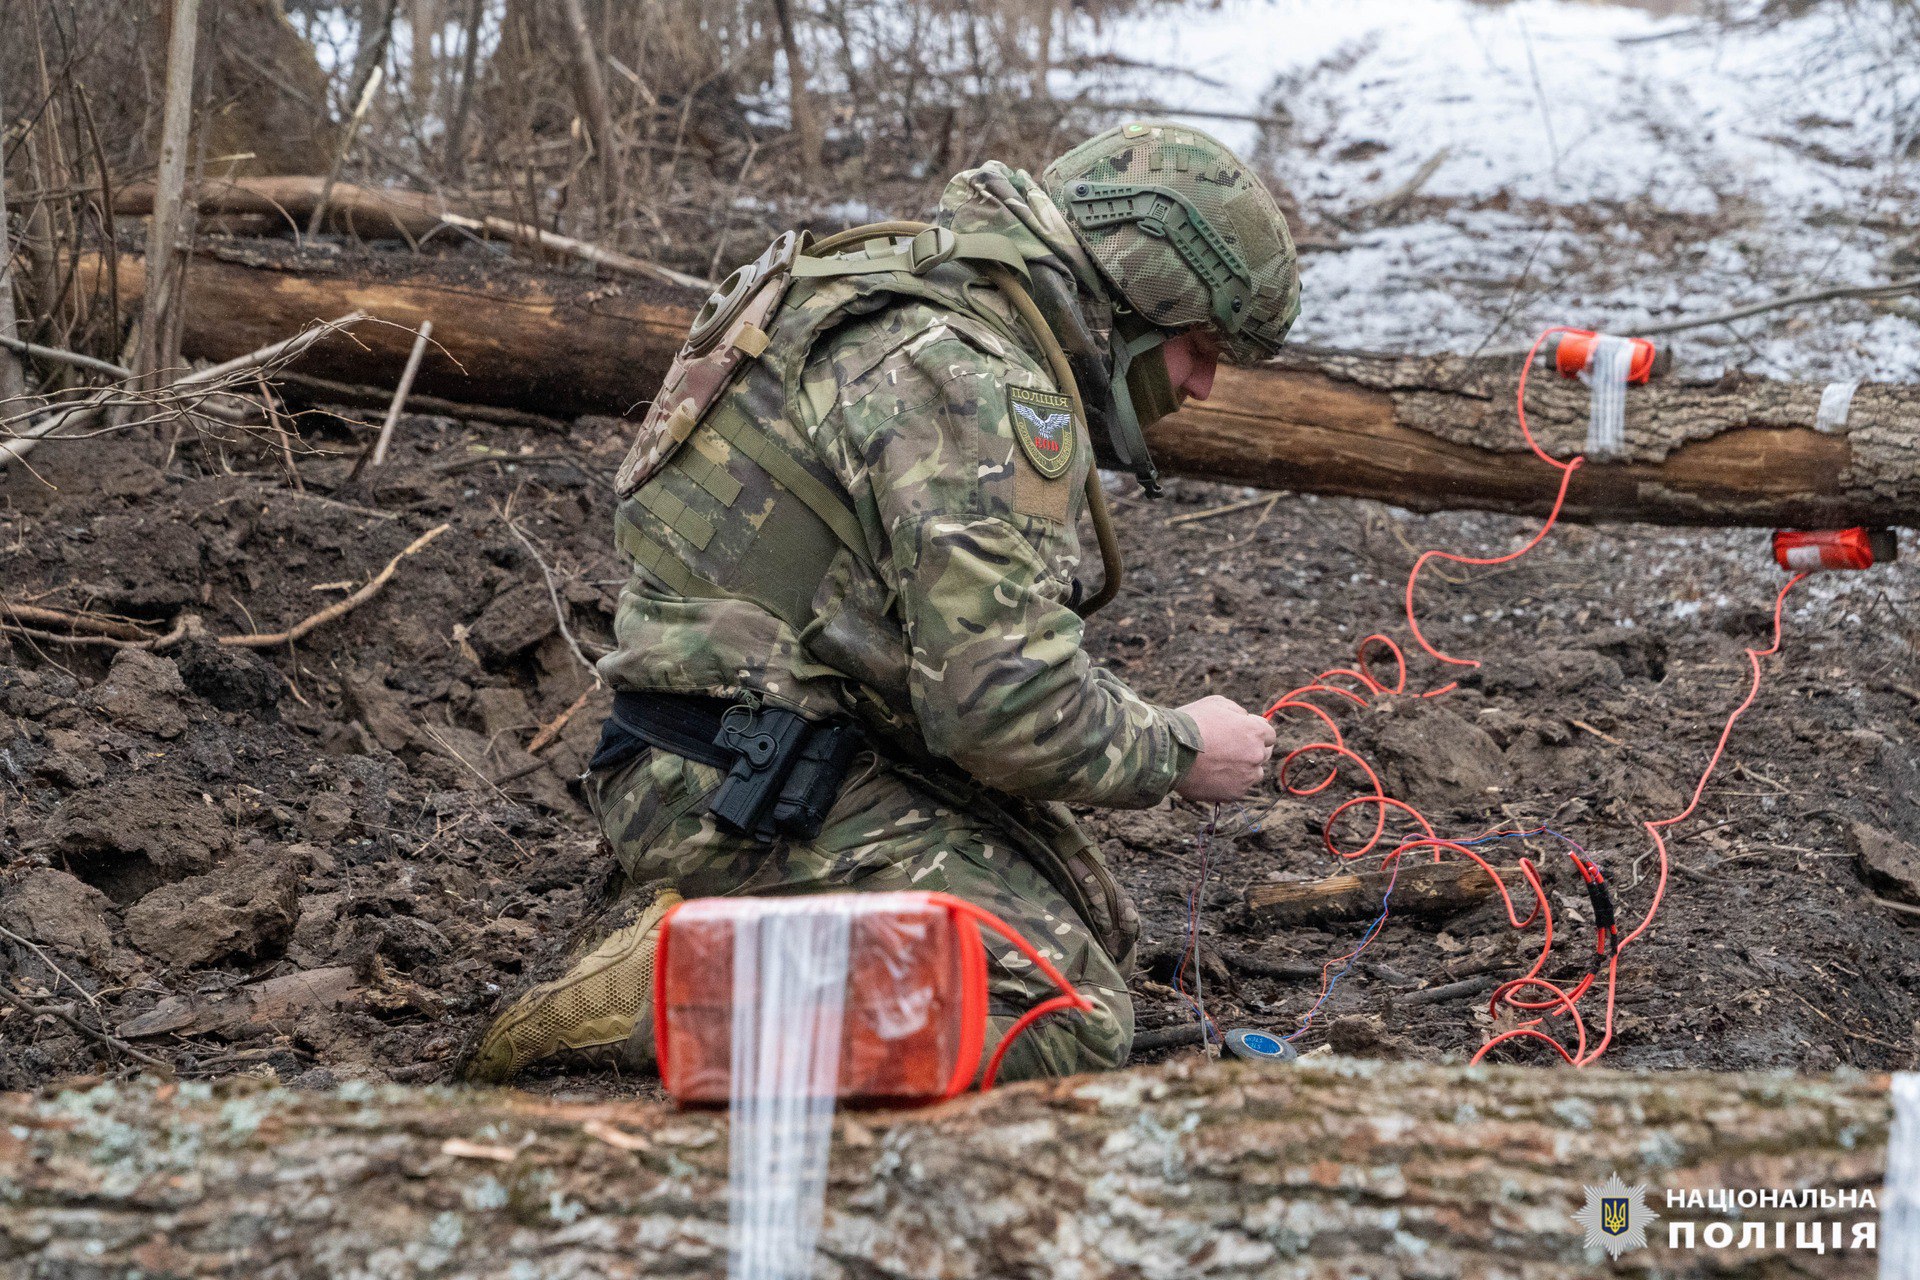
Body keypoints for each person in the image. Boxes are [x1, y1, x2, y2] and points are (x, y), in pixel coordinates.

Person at [466, 120, 1299, 1084]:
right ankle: (664, 990)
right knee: (1054, 1016)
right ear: (1140, 296)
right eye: (1201, 347)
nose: (1204, 385)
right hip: (735, 782)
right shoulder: (975, 379)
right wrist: (1182, 748)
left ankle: (716, 919)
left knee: (1093, 920)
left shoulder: (916, 295)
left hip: (734, 746)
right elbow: (1003, 711)